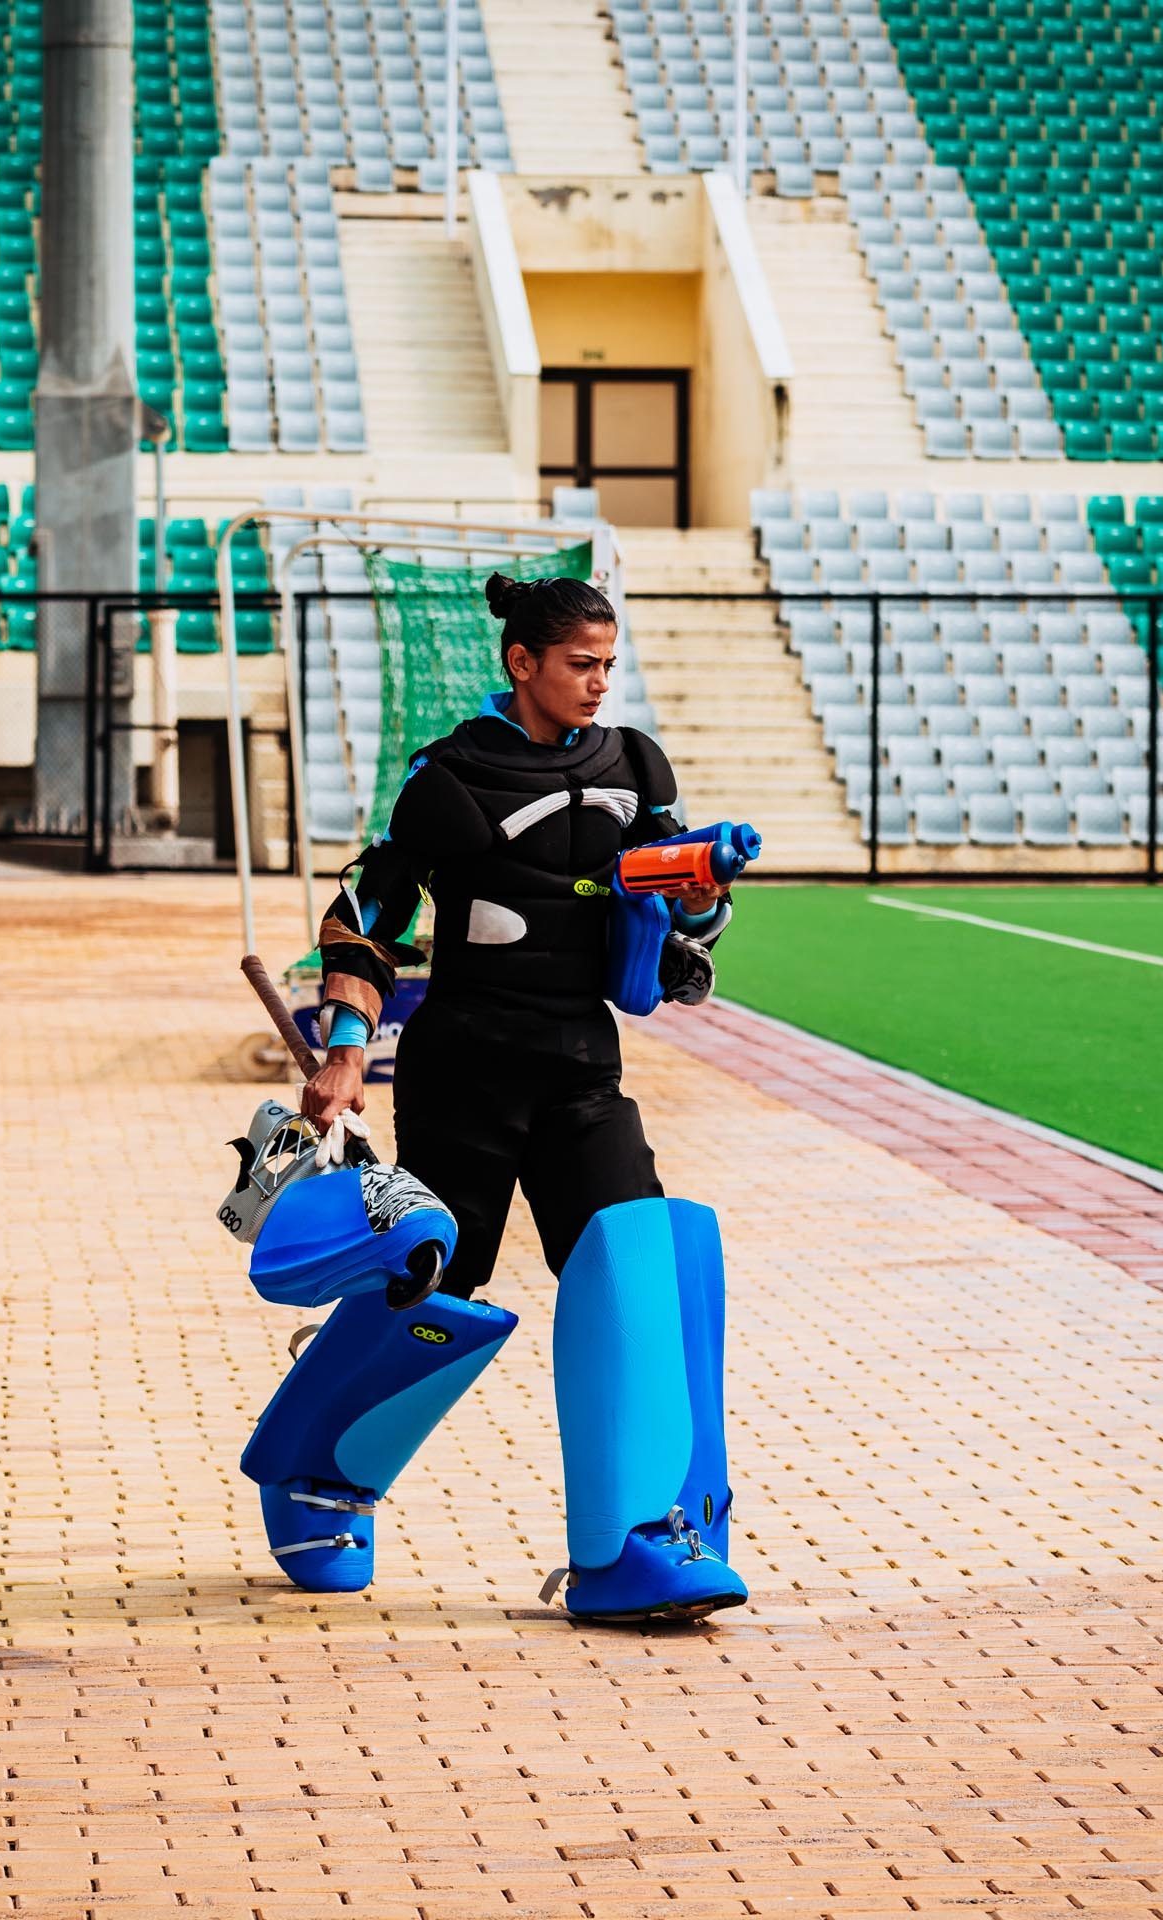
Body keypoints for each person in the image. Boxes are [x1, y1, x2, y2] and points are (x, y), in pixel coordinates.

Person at [238, 572, 746, 1623]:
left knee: (638, 1255)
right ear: (522, 662)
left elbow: (683, 912)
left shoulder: (635, 765)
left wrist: (699, 894)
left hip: (581, 1068)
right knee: (434, 1294)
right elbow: (370, 915)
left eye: (609, 664)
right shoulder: (450, 775)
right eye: (580, 664)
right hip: (463, 1069)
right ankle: (317, 1477)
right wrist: (342, 1051)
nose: (600, 684)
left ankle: (643, 1540)